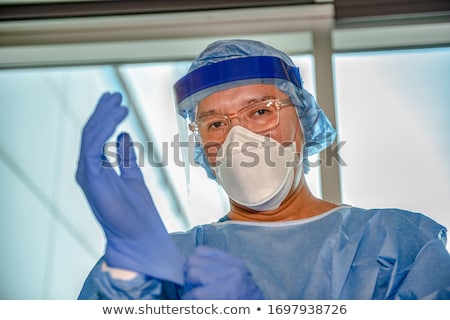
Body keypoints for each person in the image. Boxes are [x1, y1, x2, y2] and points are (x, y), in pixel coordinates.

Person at [76, 39, 450, 300]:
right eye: (216, 124)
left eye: (260, 111)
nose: (239, 138)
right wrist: (127, 274)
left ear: (303, 122)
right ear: (201, 145)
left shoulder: (393, 247)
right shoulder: (172, 259)